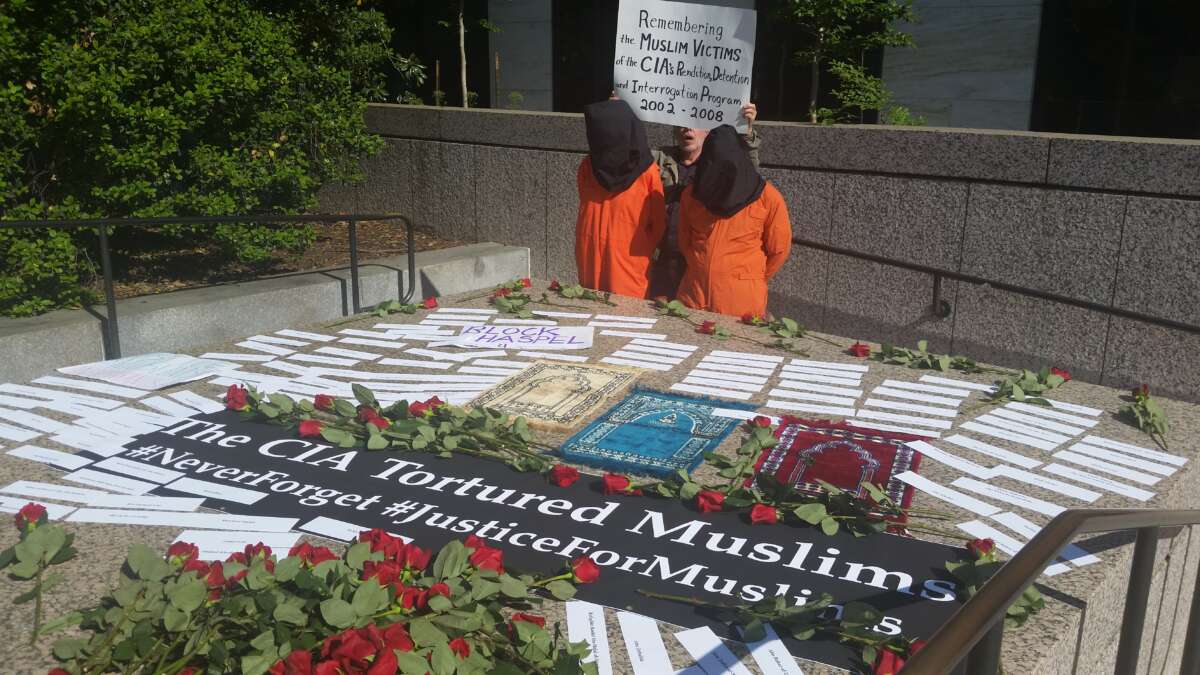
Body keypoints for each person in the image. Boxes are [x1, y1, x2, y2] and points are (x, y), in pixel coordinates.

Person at [675, 125, 791, 318]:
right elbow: (779, 249)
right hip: (708, 294)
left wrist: (752, 277)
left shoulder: (767, 197)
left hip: (722, 296)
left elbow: (685, 241)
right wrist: (749, 276)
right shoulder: (768, 196)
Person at [647, 104, 761, 299]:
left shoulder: (718, 167)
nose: (687, 128)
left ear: (708, 130)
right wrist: (617, 110)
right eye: (681, 124)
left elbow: (746, 173)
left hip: (696, 264)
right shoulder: (659, 158)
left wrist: (747, 133)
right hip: (662, 260)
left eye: (694, 124)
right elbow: (628, 155)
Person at [574, 99, 666, 298]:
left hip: (605, 257)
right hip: (619, 258)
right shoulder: (646, 172)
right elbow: (658, 223)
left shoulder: (589, 166)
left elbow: (658, 224)